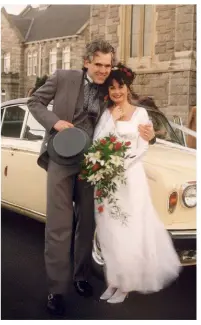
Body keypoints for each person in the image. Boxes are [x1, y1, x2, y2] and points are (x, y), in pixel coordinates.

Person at [27, 40, 156, 316]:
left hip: (92, 164)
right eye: (98, 64)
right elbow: (34, 101)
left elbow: (134, 114)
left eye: (107, 65)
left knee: (87, 224)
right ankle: (57, 289)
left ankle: (81, 276)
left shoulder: (111, 87)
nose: (103, 70)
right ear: (86, 62)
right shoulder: (63, 77)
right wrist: (55, 123)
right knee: (59, 228)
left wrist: (151, 135)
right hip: (61, 160)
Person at [93, 63, 182, 304]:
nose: (116, 92)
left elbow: (142, 146)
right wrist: (113, 120)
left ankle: (126, 285)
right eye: (112, 88)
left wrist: (121, 166)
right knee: (109, 231)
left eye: (120, 87)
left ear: (128, 88)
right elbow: (98, 142)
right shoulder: (107, 113)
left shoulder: (141, 114)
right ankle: (113, 280)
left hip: (130, 179)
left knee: (128, 231)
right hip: (108, 182)